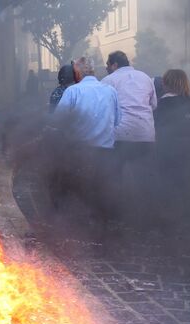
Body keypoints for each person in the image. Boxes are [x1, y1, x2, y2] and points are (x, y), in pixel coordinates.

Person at [53, 57, 122, 217]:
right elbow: (118, 120)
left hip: (79, 151)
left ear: (77, 72)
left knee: (77, 191)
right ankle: (101, 230)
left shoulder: (73, 91)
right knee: (100, 192)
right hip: (106, 152)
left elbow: (58, 120)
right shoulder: (110, 91)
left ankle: (77, 228)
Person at [101, 51, 157, 163]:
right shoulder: (145, 77)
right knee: (143, 173)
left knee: (118, 173)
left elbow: (103, 109)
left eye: (108, 65)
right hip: (145, 134)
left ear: (115, 65)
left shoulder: (108, 80)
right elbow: (154, 105)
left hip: (120, 136)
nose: (106, 68)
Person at [154, 69, 190, 216]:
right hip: (187, 141)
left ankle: (167, 208)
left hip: (168, 143)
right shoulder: (187, 99)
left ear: (166, 84)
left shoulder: (164, 102)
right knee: (181, 172)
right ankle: (186, 205)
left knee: (165, 174)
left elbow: (158, 123)